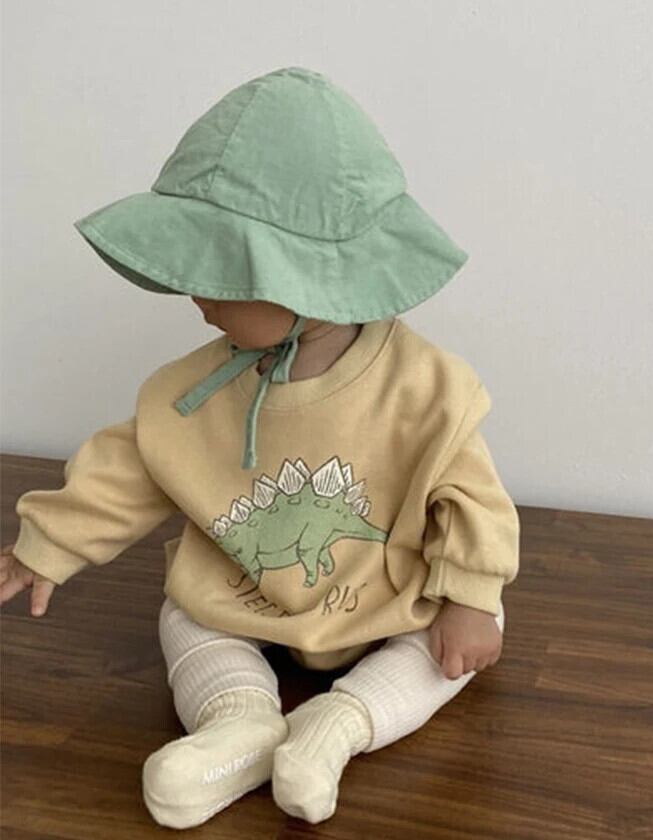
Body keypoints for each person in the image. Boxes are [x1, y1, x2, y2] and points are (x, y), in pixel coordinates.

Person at [0, 66, 520, 829]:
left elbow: (473, 500)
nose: (198, 297)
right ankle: (238, 721)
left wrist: (471, 598)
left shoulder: (427, 390)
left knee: (465, 633)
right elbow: (130, 464)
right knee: (185, 612)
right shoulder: (195, 392)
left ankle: (340, 724)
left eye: (223, 276)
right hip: (242, 594)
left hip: (388, 600)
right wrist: (47, 545)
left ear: (305, 283)